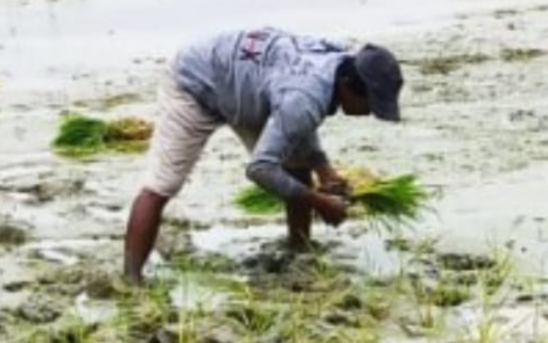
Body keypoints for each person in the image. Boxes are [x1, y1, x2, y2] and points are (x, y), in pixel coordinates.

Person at [123, 27, 404, 284]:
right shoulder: (304, 97)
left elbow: (297, 119)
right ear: (348, 85)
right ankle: (131, 280)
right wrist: (318, 201)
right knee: (162, 185)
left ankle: (299, 251)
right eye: (370, 103)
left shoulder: (339, 58)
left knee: (297, 164)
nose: (370, 112)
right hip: (194, 83)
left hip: (248, 87)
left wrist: (323, 168)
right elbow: (260, 169)